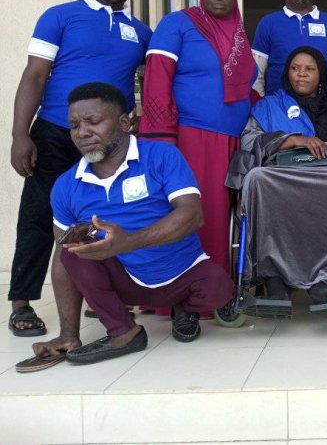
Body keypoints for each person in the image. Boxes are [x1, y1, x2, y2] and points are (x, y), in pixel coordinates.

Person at [32, 83, 233, 367]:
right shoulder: (66, 185)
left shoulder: (162, 156)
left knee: (219, 288)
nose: (82, 132)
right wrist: (68, 333)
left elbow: (192, 215)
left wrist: (130, 241)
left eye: (94, 121)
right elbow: (63, 258)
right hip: (123, 281)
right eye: (74, 124)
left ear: (125, 122)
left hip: (182, 272)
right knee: (70, 249)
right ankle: (123, 332)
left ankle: (184, 310)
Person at [8, 0, 151, 337]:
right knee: (40, 215)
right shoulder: (60, 16)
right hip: (56, 130)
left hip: (109, 138)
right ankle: (22, 301)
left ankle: (102, 294)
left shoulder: (140, 32)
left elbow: (149, 81)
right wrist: (20, 135)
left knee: (106, 216)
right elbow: (35, 75)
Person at [226, 46, 327, 305]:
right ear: (287, 73)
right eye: (295, 68)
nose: (301, 74)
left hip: (324, 181)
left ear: (321, 75)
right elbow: (248, 140)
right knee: (256, 177)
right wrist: (290, 140)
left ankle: (324, 280)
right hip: (279, 181)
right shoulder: (269, 106)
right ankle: (274, 280)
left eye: (309, 69)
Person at [140, 0, 256, 284]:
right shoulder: (178, 24)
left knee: (220, 219)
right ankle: (180, 294)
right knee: (191, 214)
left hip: (233, 141)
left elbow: (246, 89)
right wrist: (162, 138)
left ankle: (214, 289)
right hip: (192, 139)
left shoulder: (238, 34)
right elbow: (156, 80)